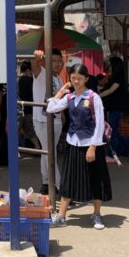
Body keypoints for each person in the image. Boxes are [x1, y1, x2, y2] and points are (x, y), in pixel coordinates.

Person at [47, 63, 112, 230]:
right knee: (68, 180)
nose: (76, 81)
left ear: (86, 79)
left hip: (91, 144)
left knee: (95, 179)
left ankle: (96, 214)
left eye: (79, 78)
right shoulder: (70, 98)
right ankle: (61, 216)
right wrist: (61, 91)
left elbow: (99, 123)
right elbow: (51, 107)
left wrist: (93, 146)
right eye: (73, 78)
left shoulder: (93, 97)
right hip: (73, 143)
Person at [31, 48, 65, 195]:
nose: (57, 64)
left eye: (59, 61)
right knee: (51, 154)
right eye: (54, 61)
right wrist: (37, 58)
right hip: (42, 120)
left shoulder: (59, 79)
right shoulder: (42, 73)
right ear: (47, 61)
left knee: (47, 153)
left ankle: (46, 182)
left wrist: (62, 114)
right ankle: (62, 188)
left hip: (56, 120)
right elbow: (35, 66)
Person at [101, 56, 129, 163]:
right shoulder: (117, 76)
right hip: (115, 107)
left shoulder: (118, 76)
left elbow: (110, 90)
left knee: (112, 131)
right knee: (114, 131)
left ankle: (112, 155)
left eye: (109, 64)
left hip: (116, 107)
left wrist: (97, 95)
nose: (108, 66)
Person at [18, 61, 40, 149]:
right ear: (28, 70)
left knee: (27, 131)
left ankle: (37, 148)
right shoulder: (31, 81)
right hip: (31, 109)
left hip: (23, 109)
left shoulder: (20, 80)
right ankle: (38, 148)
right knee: (31, 131)